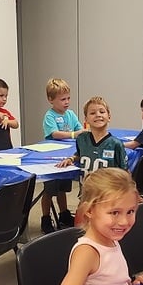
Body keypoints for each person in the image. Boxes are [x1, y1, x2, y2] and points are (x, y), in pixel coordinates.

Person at [54, 168, 143, 285]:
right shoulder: (87, 252)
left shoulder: (110, 239)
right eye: (114, 212)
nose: (124, 221)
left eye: (130, 211)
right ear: (89, 210)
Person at [41, 77, 85, 233]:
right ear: (51, 100)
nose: (66, 102)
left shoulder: (71, 114)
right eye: (62, 99)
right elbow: (54, 133)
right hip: (52, 157)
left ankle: (63, 213)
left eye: (68, 98)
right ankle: (45, 218)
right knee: (49, 190)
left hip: (66, 155)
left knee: (62, 188)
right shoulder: (50, 116)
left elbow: (80, 129)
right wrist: (74, 134)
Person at [57, 96, 127, 176]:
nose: (98, 115)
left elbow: (124, 172)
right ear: (86, 119)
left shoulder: (116, 144)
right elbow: (80, 155)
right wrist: (71, 159)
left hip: (107, 188)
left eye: (102, 112)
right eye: (92, 113)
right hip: (85, 187)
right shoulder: (81, 139)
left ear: (109, 117)